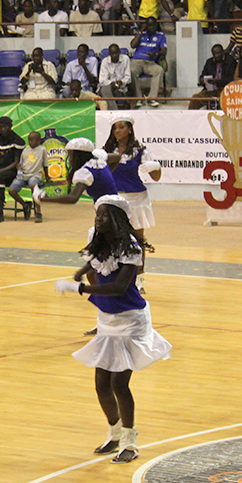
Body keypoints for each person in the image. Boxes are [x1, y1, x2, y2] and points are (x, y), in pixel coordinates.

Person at [54, 194, 171, 463]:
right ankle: (114, 432)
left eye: (104, 215)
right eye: (97, 215)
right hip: (107, 319)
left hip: (130, 319)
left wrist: (80, 287)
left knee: (119, 382)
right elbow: (94, 259)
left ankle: (130, 442)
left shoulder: (131, 248)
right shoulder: (101, 240)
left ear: (117, 218)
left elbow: (119, 287)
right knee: (101, 384)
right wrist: (80, 271)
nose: (99, 219)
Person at [104, 115, 161, 291]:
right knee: (112, 238)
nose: (117, 131)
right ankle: (115, 275)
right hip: (115, 198)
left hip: (136, 198)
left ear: (129, 129)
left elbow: (156, 177)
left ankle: (139, 280)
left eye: (121, 127)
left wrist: (155, 167)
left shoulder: (140, 151)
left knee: (137, 240)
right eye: (114, 128)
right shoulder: (107, 149)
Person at [8, 131, 50, 222]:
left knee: (34, 187)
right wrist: (19, 167)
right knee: (11, 190)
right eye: (29, 140)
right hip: (24, 175)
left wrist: (47, 176)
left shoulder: (42, 149)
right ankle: (25, 205)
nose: (30, 142)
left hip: (35, 175)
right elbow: (21, 163)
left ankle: (38, 212)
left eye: (33, 140)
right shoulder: (25, 150)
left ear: (39, 141)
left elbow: (45, 164)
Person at [129, 16, 166, 107]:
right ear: (146, 26)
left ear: (156, 25)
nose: (151, 28)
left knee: (159, 70)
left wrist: (156, 54)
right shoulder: (141, 34)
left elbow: (164, 51)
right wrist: (141, 32)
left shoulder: (161, 35)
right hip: (137, 61)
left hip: (150, 62)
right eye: (149, 26)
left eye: (153, 25)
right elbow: (133, 45)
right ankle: (139, 98)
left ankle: (151, 98)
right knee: (131, 71)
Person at [188, 44, 234, 110]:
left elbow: (231, 79)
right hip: (210, 90)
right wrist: (202, 80)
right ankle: (191, 119)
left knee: (224, 100)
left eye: (218, 53)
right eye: (214, 54)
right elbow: (203, 75)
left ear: (223, 52)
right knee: (195, 98)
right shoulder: (209, 62)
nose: (216, 56)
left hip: (225, 90)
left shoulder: (230, 61)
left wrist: (217, 81)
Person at [98, 43, 131, 110]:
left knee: (106, 93)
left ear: (119, 52)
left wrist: (122, 82)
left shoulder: (125, 59)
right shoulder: (105, 61)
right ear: (109, 54)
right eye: (112, 54)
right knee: (105, 89)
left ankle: (112, 113)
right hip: (107, 88)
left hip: (120, 89)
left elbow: (128, 77)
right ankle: (115, 111)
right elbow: (102, 80)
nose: (114, 55)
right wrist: (112, 84)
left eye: (116, 53)